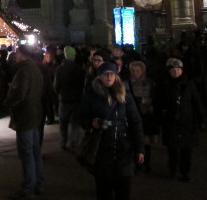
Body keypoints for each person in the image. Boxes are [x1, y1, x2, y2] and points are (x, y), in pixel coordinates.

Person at [80, 61, 144, 200]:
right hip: (101, 147)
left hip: (123, 147)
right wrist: (92, 123)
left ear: (116, 76)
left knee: (124, 189)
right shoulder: (91, 95)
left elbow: (135, 121)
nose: (109, 77)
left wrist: (139, 148)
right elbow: (82, 118)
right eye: (105, 74)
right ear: (99, 76)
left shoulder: (124, 95)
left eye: (112, 74)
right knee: (104, 190)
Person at [4, 45, 45, 199]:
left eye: (17, 54)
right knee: (35, 151)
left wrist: (7, 103)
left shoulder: (23, 71)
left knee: (26, 152)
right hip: (35, 113)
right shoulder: (35, 69)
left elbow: (19, 93)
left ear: (21, 54)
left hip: (25, 115)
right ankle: (38, 182)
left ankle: (29, 184)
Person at [155, 57, 205, 181]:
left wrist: (201, 119)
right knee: (172, 148)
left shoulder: (189, 83)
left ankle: (185, 171)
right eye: (173, 69)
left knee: (186, 149)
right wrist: (159, 118)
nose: (175, 71)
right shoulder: (164, 85)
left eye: (178, 69)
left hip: (187, 120)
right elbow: (158, 103)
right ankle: (172, 169)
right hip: (170, 120)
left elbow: (196, 101)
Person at [128, 60, 158, 173]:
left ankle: (146, 163)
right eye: (133, 71)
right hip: (134, 115)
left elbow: (154, 97)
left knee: (146, 142)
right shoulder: (127, 83)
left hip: (146, 116)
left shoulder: (150, 83)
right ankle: (137, 164)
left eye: (137, 71)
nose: (135, 73)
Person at [53, 45, 85, 151]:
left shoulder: (60, 69)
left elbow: (56, 85)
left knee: (63, 123)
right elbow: (82, 85)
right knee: (75, 124)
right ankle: (74, 143)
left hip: (64, 99)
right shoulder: (79, 69)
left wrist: (59, 94)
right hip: (76, 100)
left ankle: (63, 142)